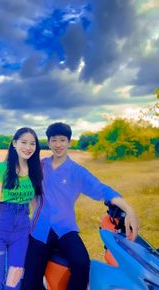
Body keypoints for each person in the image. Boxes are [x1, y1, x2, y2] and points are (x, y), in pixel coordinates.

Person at [23, 122, 139, 290]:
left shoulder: (77, 172)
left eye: (62, 140)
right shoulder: (40, 166)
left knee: (82, 263)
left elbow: (102, 189)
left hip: (65, 227)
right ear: (48, 143)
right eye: (53, 140)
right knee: (31, 279)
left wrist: (129, 209)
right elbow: (24, 181)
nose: (58, 144)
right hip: (40, 228)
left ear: (69, 142)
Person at [0, 127, 43, 290]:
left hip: (22, 230)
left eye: (32, 144)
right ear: (14, 143)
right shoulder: (1, 168)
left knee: (14, 282)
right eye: (24, 142)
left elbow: (34, 204)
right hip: (1, 228)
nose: (28, 147)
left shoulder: (35, 171)